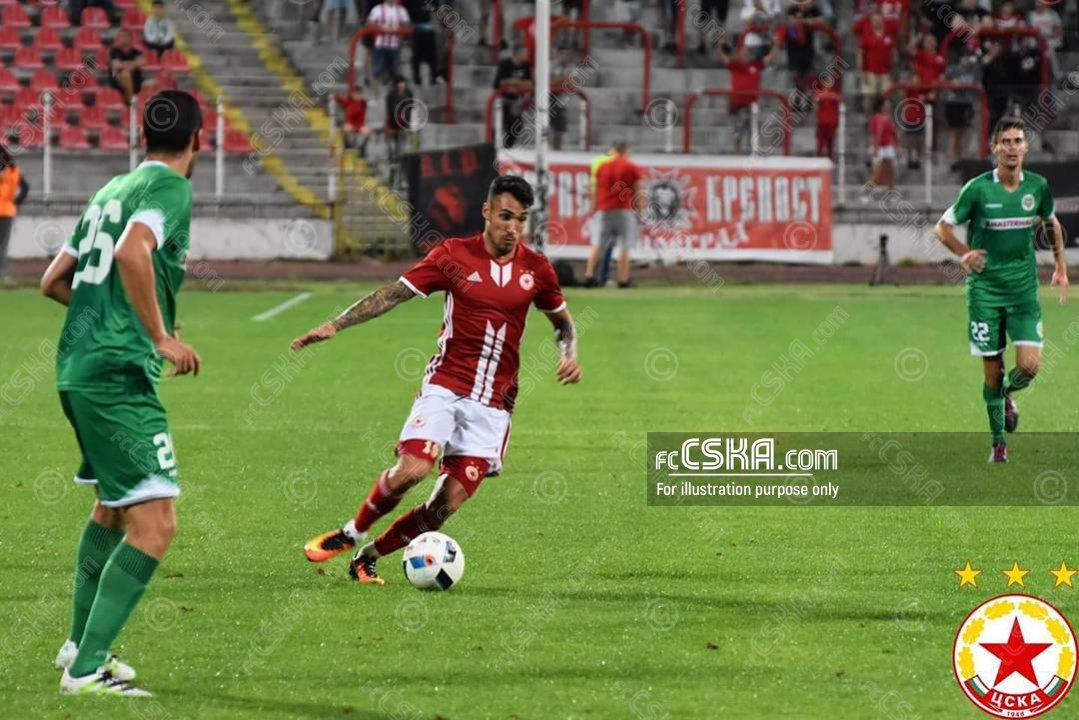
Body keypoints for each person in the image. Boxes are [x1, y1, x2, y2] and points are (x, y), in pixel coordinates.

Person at [297, 175, 582, 584]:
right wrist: (336, 324)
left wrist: (568, 354)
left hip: (494, 406)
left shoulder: (536, 269)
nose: (513, 228)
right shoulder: (454, 255)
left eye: (521, 219)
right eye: (505, 217)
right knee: (413, 469)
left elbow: (562, 323)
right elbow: (394, 293)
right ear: (487, 213)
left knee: (444, 506)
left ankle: (367, 556)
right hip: (446, 386)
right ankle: (351, 532)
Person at [40, 90, 202, 696]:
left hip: (77, 368)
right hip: (115, 379)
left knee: (112, 509)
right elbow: (134, 250)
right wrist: (157, 336)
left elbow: (53, 281)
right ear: (198, 141)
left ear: (142, 136)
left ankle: (77, 646)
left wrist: (112, 320)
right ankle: (87, 670)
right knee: (156, 525)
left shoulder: (111, 188)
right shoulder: (171, 189)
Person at [935, 118, 1068, 463]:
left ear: (1026, 147)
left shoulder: (1037, 187)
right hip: (985, 293)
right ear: (994, 149)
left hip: (1023, 292)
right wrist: (963, 253)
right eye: (1005, 141)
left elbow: (1051, 223)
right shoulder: (977, 189)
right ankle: (998, 444)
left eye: (1017, 141)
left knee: (1030, 366)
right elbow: (942, 227)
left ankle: (1008, 394)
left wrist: (1061, 267)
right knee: (992, 371)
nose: (1012, 147)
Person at [584, 141, 644, 288]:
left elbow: (596, 190)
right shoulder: (631, 167)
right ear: (625, 151)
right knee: (625, 246)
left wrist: (593, 209)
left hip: (604, 210)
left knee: (598, 244)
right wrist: (640, 211)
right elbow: (638, 191)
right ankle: (623, 279)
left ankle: (589, 275)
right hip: (624, 210)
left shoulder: (602, 167)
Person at [717, 42, 779, 154]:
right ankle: (738, 150)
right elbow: (722, 57)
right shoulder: (735, 65)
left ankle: (753, 151)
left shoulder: (756, 65)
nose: (745, 54)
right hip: (736, 103)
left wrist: (776, 44)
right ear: (738, 54)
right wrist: (720, 45)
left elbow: (771, 56)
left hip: (751, 104)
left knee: (752, 127)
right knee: (737, 130)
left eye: (746, 52)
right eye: (743, 52)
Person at [493, 45, 533, 148]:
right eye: (524, 53)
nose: (526, 55)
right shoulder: (505, 64)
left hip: (517, 99)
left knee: (517, 125)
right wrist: (517, 83)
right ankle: (495, 145)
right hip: (503, 98)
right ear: (517, 54)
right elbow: (498, 83)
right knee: (503, 122)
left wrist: (513, 82)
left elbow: (529, 83)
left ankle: (507, 146)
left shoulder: (526, 65)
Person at [0, 145, 29, 281]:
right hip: (7, 210)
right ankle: (1, 274)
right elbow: (25, 188)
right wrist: (16, 201)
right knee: (2, 245)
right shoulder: (14, 170)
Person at [858, 10, 896, 113]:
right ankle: (869, 119)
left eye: (878, 20)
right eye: (874, 20)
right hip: (870, 71)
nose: (876, 22)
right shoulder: (866, 35)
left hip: (885, 72)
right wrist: (861, 70)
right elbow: (861, 53)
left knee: (887, 97)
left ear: (882, 21)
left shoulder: (888, 35)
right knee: (868, 97)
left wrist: (893, 69)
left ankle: (887, 119)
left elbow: (893, 54)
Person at [367, 0, 411, 84]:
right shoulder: (377, 9)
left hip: (395, 46)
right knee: (377, 71)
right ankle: (378, 87)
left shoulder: (401, 10)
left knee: (396, 71)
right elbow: (369, 23)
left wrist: (397, 30)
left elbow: (407, 25)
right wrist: (382, 28)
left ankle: (392, 86)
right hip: (380, 45)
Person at [864, 96, 897, 200]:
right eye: (886, 105)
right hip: (879, 147)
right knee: (877, 173)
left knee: (890, 172)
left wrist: (896, 145)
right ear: (881, 106)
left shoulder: (890, 119)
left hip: (888, 147)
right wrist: (874, 147)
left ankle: (891, 193)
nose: (888, 107)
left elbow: (893, 134)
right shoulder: (876, 118)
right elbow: (872, 134)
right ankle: (867, 191)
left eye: (889, 105)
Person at [109, 29, 145, 104]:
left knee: (153, 82)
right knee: (126, 74)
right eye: (121, 36)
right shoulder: (114, 51)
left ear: (130, 38)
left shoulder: (136, 52)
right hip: (117, 79)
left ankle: (128, 98)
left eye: (126, 36)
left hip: (136, 79)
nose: (124, 38)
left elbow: (142, 62)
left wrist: (125, 64)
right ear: (118, 38)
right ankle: (131, 99)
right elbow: (117, 65)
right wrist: (133, 64)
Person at [334, 86, 371, 156]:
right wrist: (335, 96)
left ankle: (362, 148)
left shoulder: (364, 104)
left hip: (360, 125)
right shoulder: (348, 102)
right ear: (353, 94)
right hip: (350, 124)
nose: (358, 96)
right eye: (356, 94)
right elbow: (340, 100)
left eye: (360, 94)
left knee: (368, 132)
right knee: (346, 129)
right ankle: (347, 145)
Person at [813, 73, 840, 159]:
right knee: (820, 142)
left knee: (830, 143)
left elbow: (837, 100)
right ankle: (818, 158)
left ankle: (830, 158)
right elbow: (816, 98)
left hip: (832, 122)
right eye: (827, 81)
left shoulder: (835, 94)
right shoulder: (820, 93)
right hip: (822, 121)